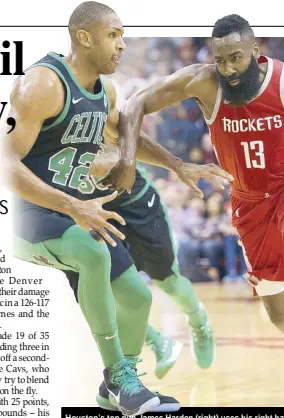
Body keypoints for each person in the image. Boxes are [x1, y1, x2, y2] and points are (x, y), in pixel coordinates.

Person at [0, 2, 233, 414]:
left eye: (123, 35)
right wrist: (74, 205)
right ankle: (122, 379)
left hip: (74, 211)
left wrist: (178, 164)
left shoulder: (105, 90)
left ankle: (114, 389)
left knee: (139, 298)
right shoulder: (42, 83)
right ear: (83, 38)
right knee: (92, 254)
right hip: (27, 213)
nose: (122, 44)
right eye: (113, 35)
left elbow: (128, 135)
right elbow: (5, 163)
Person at [103, 13, 284, 335]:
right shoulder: (205, 81)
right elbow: (133, 105)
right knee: (277, 308)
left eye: (236, 59)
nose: (228, 69)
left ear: (256, 50)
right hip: (250, 204)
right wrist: (128, 162)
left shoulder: (281, 81)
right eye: (221, 60)